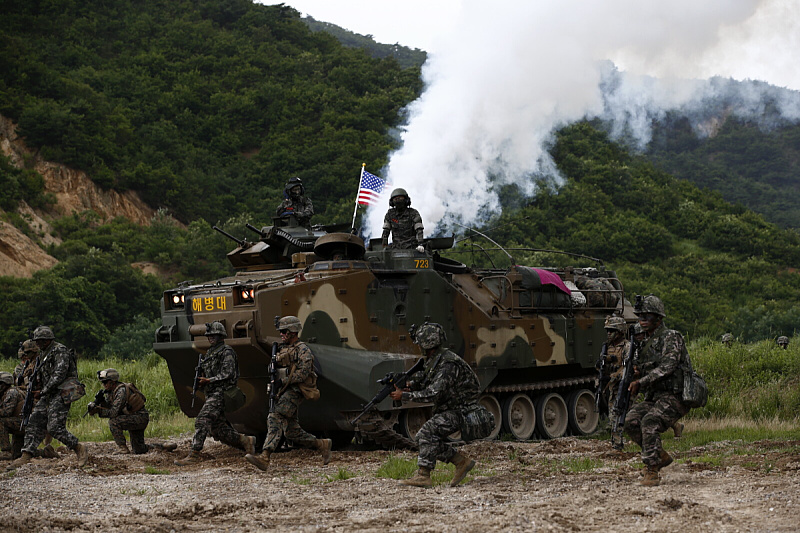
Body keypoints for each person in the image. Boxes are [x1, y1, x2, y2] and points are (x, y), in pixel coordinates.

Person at [389, 322, 493, 488]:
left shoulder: (447, 364)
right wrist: (410, 384)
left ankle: (424, 476)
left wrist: (405, 395)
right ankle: (460, 462)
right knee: (426, 438)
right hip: (452, 409)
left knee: (426, 433)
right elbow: (427, 380)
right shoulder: (435, 360)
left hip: (462, 411)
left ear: (426, 344)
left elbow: (434, 393)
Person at [245, 316, 330, 471]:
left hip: (296, 390)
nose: (282, 334)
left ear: (293, 331)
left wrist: (283, 382)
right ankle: (322, 444)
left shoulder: (303, 350)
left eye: (284, 331)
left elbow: (303, 374)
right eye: (281, 331)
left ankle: (265, 456)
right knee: (291, 432)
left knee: (274, 415)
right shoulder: (283, 348)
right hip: (284, 390)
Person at [624, 295, 690, 486]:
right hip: (656, 397)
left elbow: (668, 366)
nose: (642, 320)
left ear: (659, 319)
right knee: (630, 421)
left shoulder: (671, 337)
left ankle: (651, 469)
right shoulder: (643, 343)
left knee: (649, 421)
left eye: (647, 316)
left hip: (676, 395)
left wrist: (641, 382)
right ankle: (658, 455)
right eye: (640, 316)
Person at [6, 326, 88, 471]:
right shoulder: (44, 353)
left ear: (48, 340)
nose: (38, 344)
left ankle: (78, 447)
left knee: (55, 428)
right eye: (37, 341)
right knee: (34, 421)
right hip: (48, 392)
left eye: (40, 341)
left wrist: (42, 391)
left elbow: (59, 375)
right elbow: (44, 375)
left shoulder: (60, 351)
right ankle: (26, 454)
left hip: (62, 391)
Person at [175, 322, 255, 465]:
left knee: (202, 419)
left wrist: (209, 380)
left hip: (222, 392)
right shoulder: (210, 353)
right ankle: (245, 440)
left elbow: (228, 373)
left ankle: (194, 454)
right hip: (212, 393)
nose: (211, 338)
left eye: (214, 335)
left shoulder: (227, 352)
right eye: (209, 335)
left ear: (220, 335)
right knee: (218, 429)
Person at [87, 368, 176, 454]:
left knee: (113, 422)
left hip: (139, 418)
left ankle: (123, 448)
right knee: (139, 449)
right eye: (103, 382)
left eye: (105, 382)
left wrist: (98, 411)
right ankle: (162, 446)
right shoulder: (112, 392)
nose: (104, 385)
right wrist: (101, 402)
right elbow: (111, 406)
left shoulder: (120, 391)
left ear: (112, 382)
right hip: (135, 417)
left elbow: (113, 412)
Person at [597, 316, 630, 440]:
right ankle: (614, 430)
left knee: (631, 409)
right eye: (607, 331)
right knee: (613, 406)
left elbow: (629, 367)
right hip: (613, 383)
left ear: (620, 331)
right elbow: (603, 365)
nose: (609, 333)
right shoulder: (607, 347)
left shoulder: (627, 347)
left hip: (625, 384)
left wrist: (617, 375)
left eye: (612, 331)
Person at [0, 372, 25, 460]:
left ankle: (5, 451)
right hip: (19, 424)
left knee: (1, 422)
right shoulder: (4, 393)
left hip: (23, 424)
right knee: (17, 455)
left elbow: (6, 412)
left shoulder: (12, 392)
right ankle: (46, 452)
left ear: (4, 384)